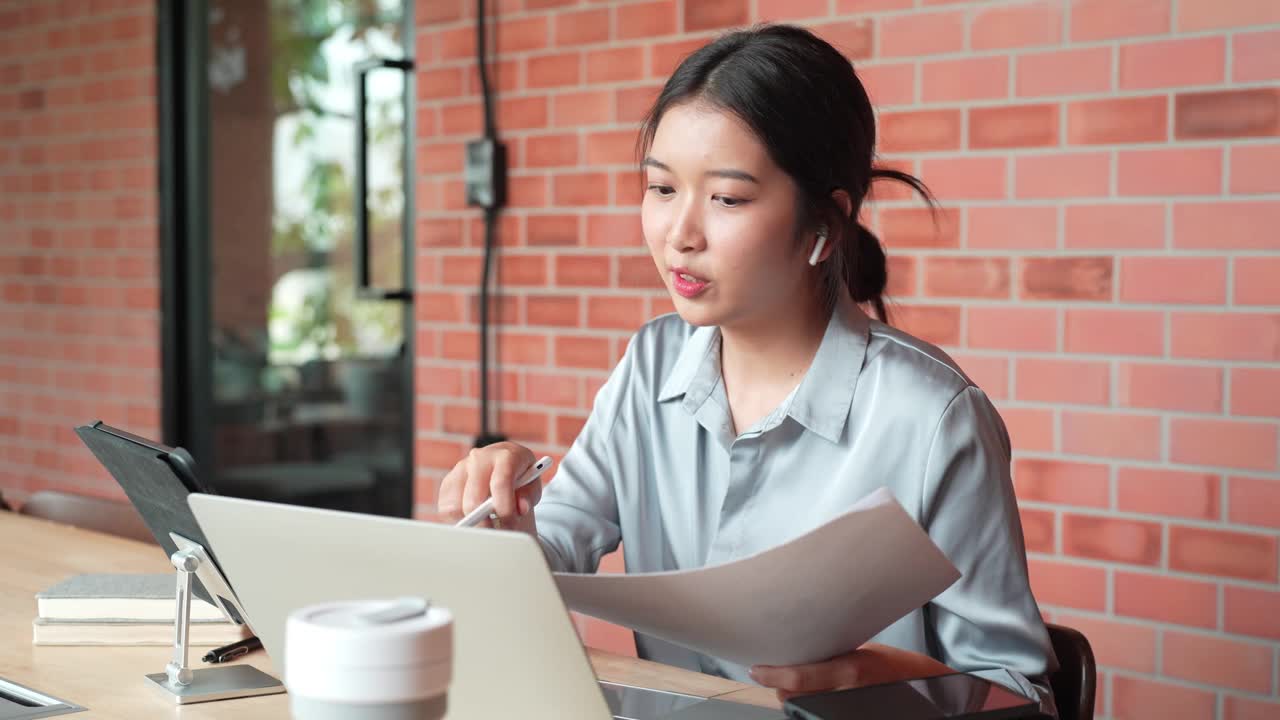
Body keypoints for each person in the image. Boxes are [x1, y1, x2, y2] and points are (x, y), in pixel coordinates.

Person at [439, 23, 1058, 715]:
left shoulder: (933, 419)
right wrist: (506, 517)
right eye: (662, 188)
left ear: (824, 226)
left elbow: (1023, 698)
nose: (681, 234)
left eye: (727, 198)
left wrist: (878, 682)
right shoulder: (651, 366)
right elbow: (553, 549)